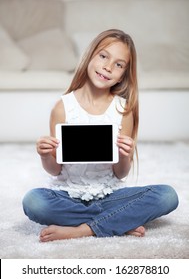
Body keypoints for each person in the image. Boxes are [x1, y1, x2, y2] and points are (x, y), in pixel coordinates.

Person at [22, 29, 178, 242]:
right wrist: (45, 156)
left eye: (119, 64)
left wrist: (125, 155)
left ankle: (82, 230)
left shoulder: (123, 110)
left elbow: (121, 173)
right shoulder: (62, 107)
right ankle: (119, 222)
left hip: (109, 196)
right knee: (34, 202)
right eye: (104, 56)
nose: (108, 66)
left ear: (123, 74)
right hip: (67, 195)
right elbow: (55, 168)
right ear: (90, 56)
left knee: (167, 196)